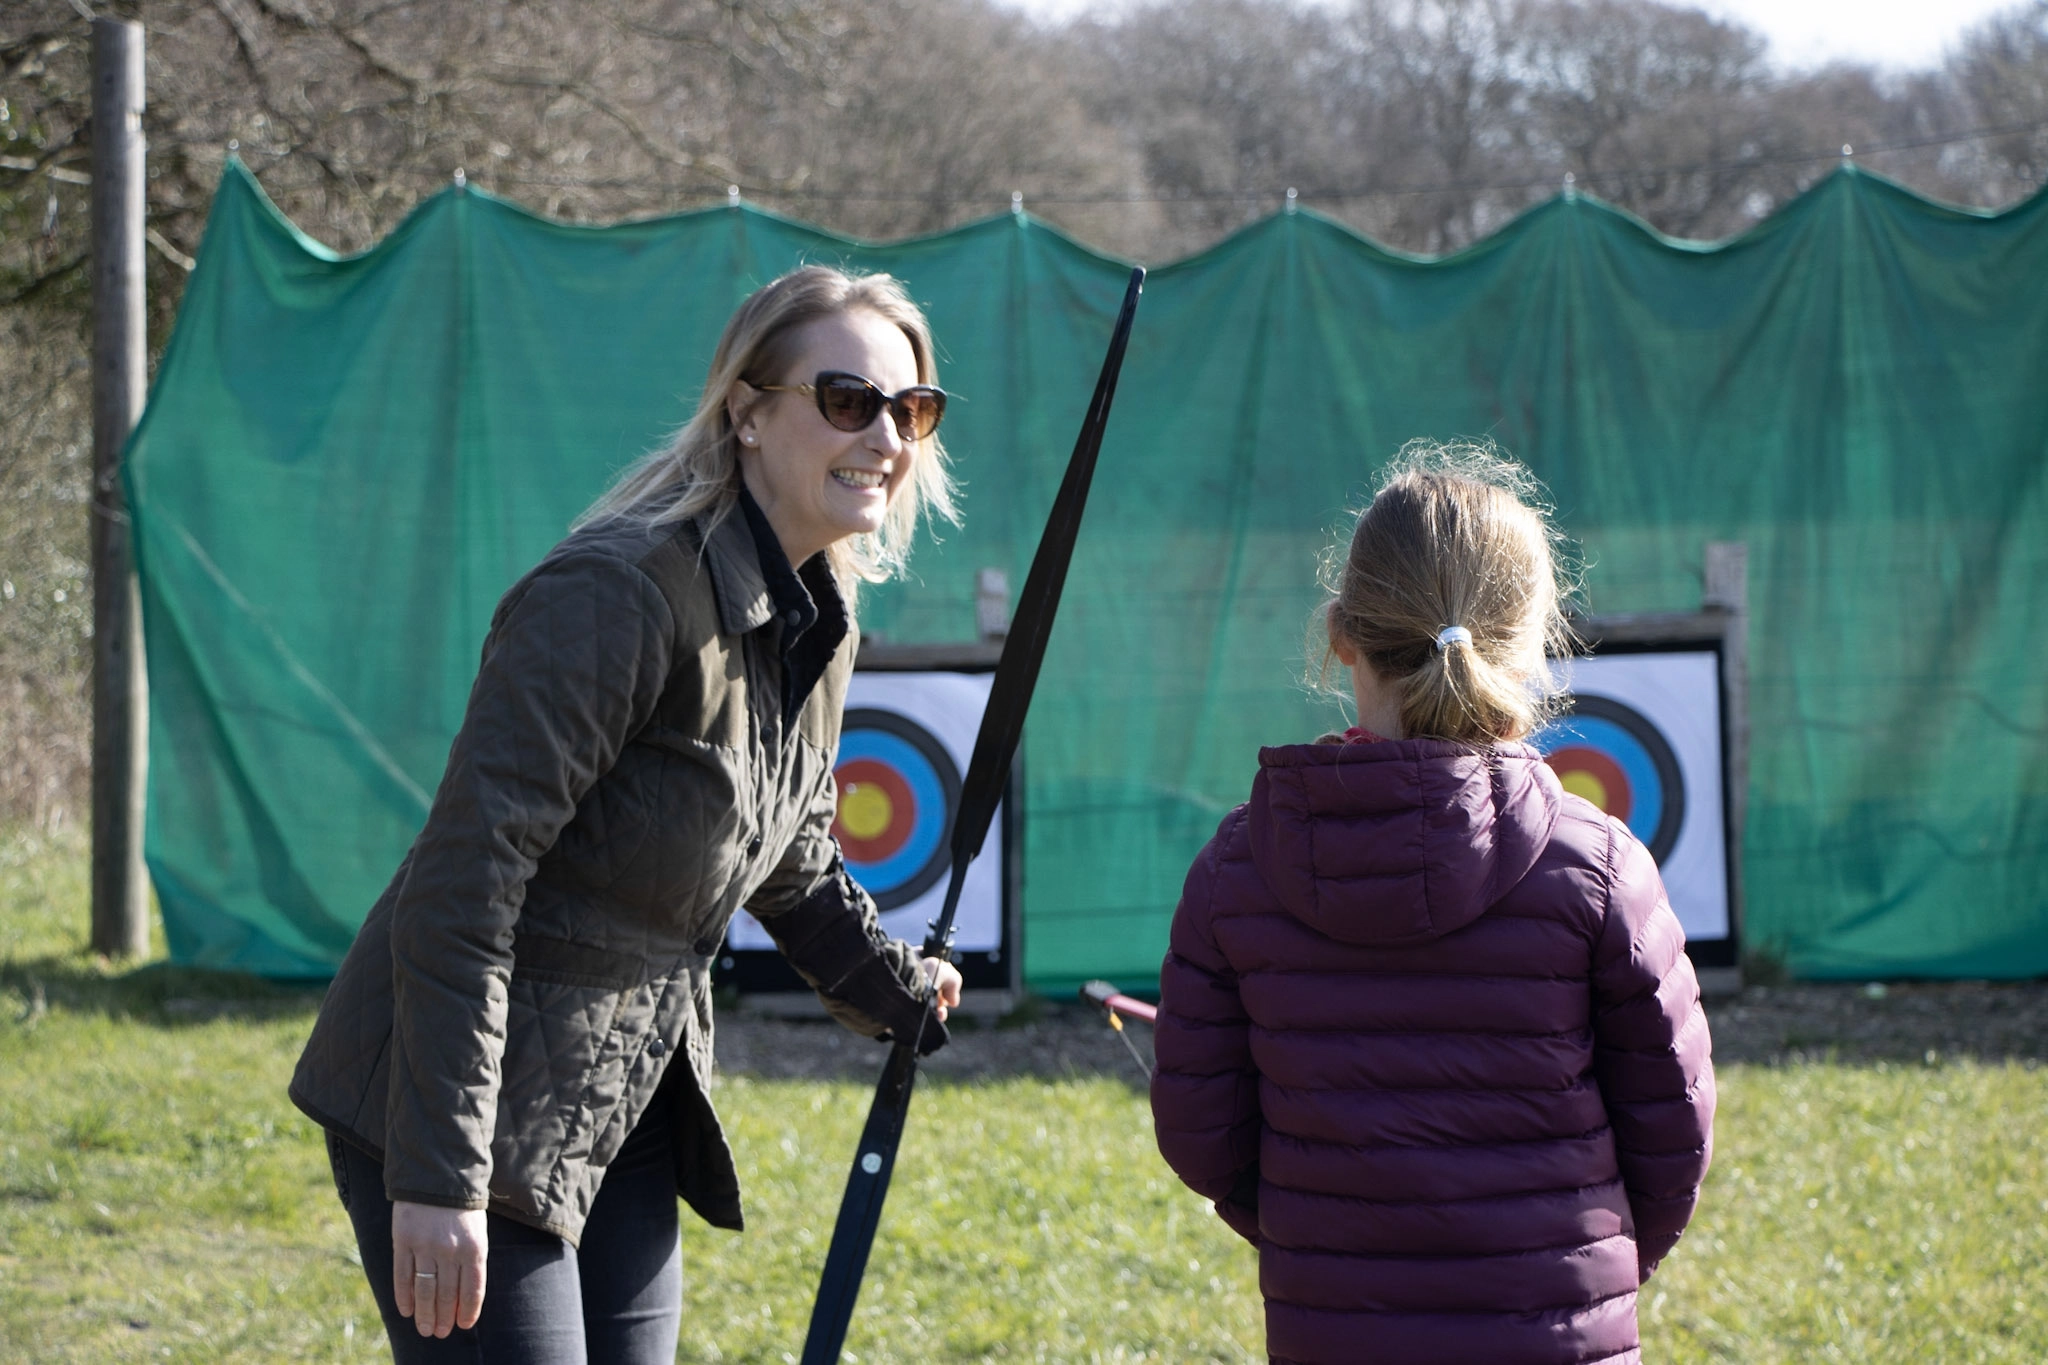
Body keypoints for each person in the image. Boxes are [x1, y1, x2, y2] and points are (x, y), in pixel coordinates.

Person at [290, 265, 967, 1363]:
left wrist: (895, 987)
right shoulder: (616, 594)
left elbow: (787, 859)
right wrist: (439, 1176)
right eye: (847, 400)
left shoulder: (819, 622)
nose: (886, 434)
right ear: (747, 415)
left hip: (624, 1097)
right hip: (459, 1098)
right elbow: (468, 878)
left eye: (911, 408)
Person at [1149, 441, 1715, 1365]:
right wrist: (1586, 1260)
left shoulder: (1238, 869)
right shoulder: (1602, 865)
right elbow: (1673, 1127)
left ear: (1341, 636)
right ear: (1533, 642)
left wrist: (1320, 1229)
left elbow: (1203, 1136)